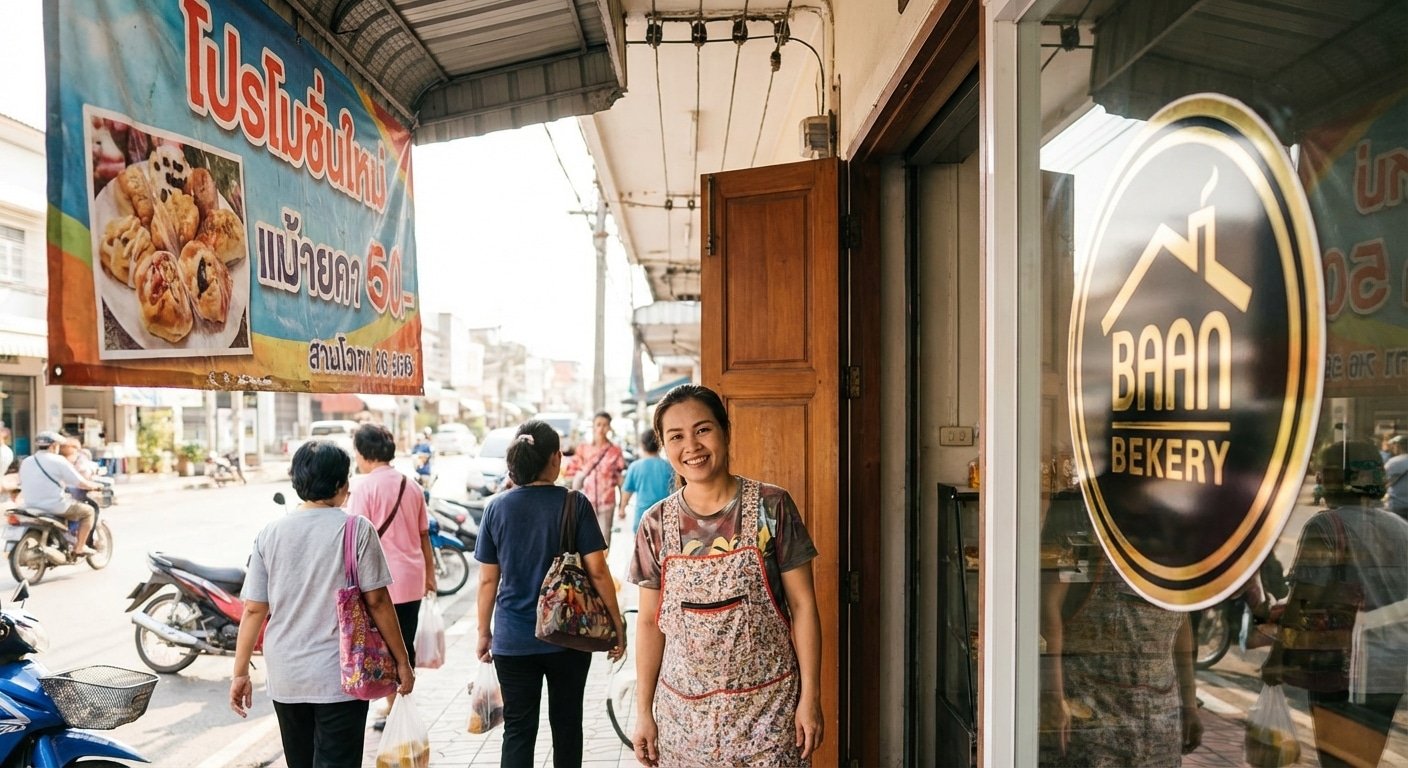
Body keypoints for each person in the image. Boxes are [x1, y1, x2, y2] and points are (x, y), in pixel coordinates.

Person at [628, 384, 824, 767]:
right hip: (684, 721)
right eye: (677, 436)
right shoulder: (654, 525)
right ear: (663, 445)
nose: (692, 446)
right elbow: (651, 625)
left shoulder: (773, 506)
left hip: (769, 714)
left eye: (703, 430)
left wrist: (810, 698)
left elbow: (803, 606)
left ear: (725, 431)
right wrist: (643, 713)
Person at [229, 440, 414, 768]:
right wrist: (402, 661)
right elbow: (378, 601)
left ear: (296, 482)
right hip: (340, 676)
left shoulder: (269, 533)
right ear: (343, 484)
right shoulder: (356, 529)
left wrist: (240, 672)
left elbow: (255, 609)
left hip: (287, 676)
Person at [475, 419, 626, 768]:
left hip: (513, 639)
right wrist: (616, 623)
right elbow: (598, 571)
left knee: (517, 729)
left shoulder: (497, 507)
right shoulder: (576, 504)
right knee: (568, 723)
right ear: (556, 458)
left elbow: (487, 581)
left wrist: (485, 633)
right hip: (570, 636)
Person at [1262, 440, 1408, 768]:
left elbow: (1303, 600)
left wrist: (1276, 657)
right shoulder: (1402, 529)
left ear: (1330, 479)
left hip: (1339, 668)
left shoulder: (1325, 526)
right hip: (1389, 670)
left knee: (1336, 762)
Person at [1039, 551, 1202, 766]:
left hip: (1159, 728)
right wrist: (1054, 696)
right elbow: (1048, 609)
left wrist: (1189, 704)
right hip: (1093, 724)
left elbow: (1181, 625)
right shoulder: (1089, 544)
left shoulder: (1173, 554)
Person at [347, 423, 436, 730]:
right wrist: (431, 575)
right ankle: (399, 705)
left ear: (362, 454)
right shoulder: (411, 485)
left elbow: (354, 538)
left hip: (379, 583)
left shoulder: (365, 488)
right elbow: (425, 536)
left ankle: (396, 708)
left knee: (383, 648)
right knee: (404, 644)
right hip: (411, 578)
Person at [17, 431, 100, 557]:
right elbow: (79, 482)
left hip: (30, 505)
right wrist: (95, 486)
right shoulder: (58, 460)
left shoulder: (27, 461)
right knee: (88, 511)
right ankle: (80, 547)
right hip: (55, 506)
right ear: (53, 445)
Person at [565, 411, 625, 548]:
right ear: (593, 426)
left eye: (605, 425)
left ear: (609, 428)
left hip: (607, 502)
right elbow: (574, 473)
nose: (601, 428)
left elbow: (620, 478)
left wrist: (622, 505)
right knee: (585, 540)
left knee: (604, 541)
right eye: (598, 424)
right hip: (586, 502)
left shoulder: (615, 451)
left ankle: (603, 567)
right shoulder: (583, 449)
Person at [620, 430, 673, 535]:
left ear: (642, 445)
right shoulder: (669, 466)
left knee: (642, 549)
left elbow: (627, 492)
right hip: (665, 516)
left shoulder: (635, 467)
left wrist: (622, 509)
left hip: (642, 517)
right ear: (659, 444)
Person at [1383, 434, 1408, 519]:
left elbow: (1382, 480)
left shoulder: (1393, 462)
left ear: (1398, 446)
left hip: (1397, 506)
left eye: (1394, 446)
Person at [412, 427, 434, 493]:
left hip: (420, 472)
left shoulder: (420, 445)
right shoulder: (427, 445)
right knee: (426, 492)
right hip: (424, 472)